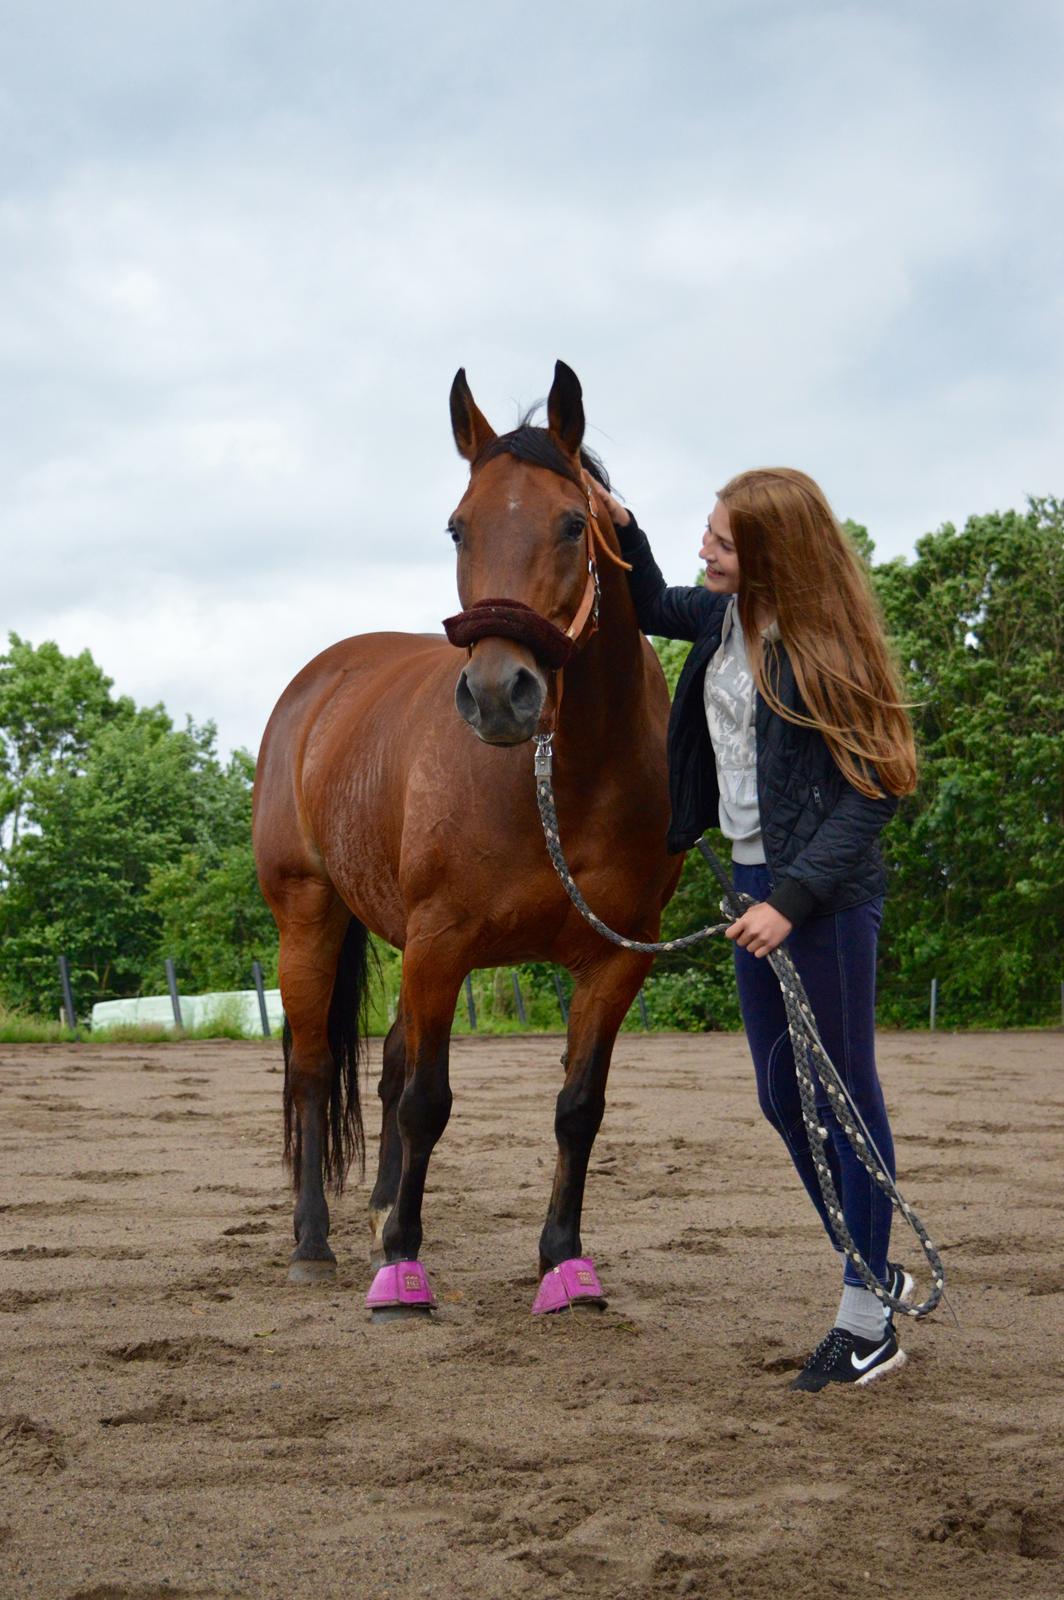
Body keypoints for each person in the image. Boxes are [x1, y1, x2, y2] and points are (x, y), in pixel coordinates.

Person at [598, 467, 917, 1391]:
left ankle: (867, 1319)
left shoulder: (826, 648)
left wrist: (792, 900)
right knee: (783, 1097)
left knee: (844, 1096)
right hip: (751, 885)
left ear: (774, 552)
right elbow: (649, 600)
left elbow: (879, 788)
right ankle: (872, 1265)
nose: (705, 550)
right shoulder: (721, 619)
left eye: (722, 541)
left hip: (821, 898)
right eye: (707, 534)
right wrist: (622, 523)